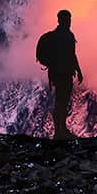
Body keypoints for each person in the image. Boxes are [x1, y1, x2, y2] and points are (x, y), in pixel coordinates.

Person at [36, 9, 83, 140]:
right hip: (62, 73)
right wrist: (78, 70)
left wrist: (78, 70)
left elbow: (72, 55)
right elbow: (72, 55)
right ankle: (59, 131)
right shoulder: (64, 36)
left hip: (63, 73)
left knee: (64, 100)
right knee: (61, 101)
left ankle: (62, 129)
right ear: (62, 20)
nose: (68, 22)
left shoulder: (64, 36)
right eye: (67, 19)